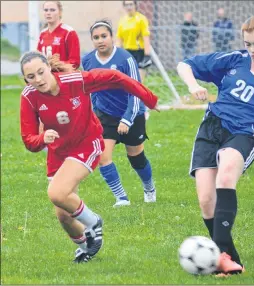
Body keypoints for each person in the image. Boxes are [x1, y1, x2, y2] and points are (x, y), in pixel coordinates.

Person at [177, 15, 254, 276]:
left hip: (245, 134)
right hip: (212, 128)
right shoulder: (233, 60)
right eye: (248, 44)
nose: (253, 51)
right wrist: (193, 85)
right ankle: (230, 262)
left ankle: (220, 256)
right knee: (206, 200)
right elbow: (184, 64)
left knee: (228, 169)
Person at [19, 51, 158, 263]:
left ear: (48, 67)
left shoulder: (76, 81)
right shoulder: (29, 97)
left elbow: (116, 78)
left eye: (41, 72)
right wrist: (42, 138)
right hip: (58, 153)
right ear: (25, 79)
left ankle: (94, 222)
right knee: (63, 215)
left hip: (87, 143)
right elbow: (29, 140)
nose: (38, 80)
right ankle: (86, 247)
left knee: (56, 192)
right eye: (31, 77)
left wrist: (148, 98)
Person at [82, 20, 156, 207]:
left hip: (131, 113)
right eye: (96, 37)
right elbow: (89, 88)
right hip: (105, 115)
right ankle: (122, 198)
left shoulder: (126, 59)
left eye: (104, 36)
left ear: (112, 37)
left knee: (136, 158)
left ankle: (149, 188)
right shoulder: (88, 60)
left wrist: (127, 119)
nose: (100, 40)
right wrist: (92, 113)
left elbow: (136, 91)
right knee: (103, 157)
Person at [116, 0, 152, 83]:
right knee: (128, 82)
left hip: (139, 52)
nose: (129, 7)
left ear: (135, 5)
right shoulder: (122, 21)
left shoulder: (141, 19)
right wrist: (115, 54)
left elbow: (146, 37)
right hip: (127, 53)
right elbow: (119, 39)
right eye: (126, 5)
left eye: (131, 4)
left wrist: (147, 55)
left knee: (139, 82)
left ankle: (140, 96)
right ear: (124, 7)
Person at [37, 1, 80, 69]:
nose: (48, 13)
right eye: (46, 10)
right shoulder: (42, 34)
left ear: (60, 12)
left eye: (52, 10)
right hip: (46, 77)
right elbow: (38, 58)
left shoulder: (69, 32)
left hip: (62, 77)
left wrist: (58, 65)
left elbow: (75, 62)